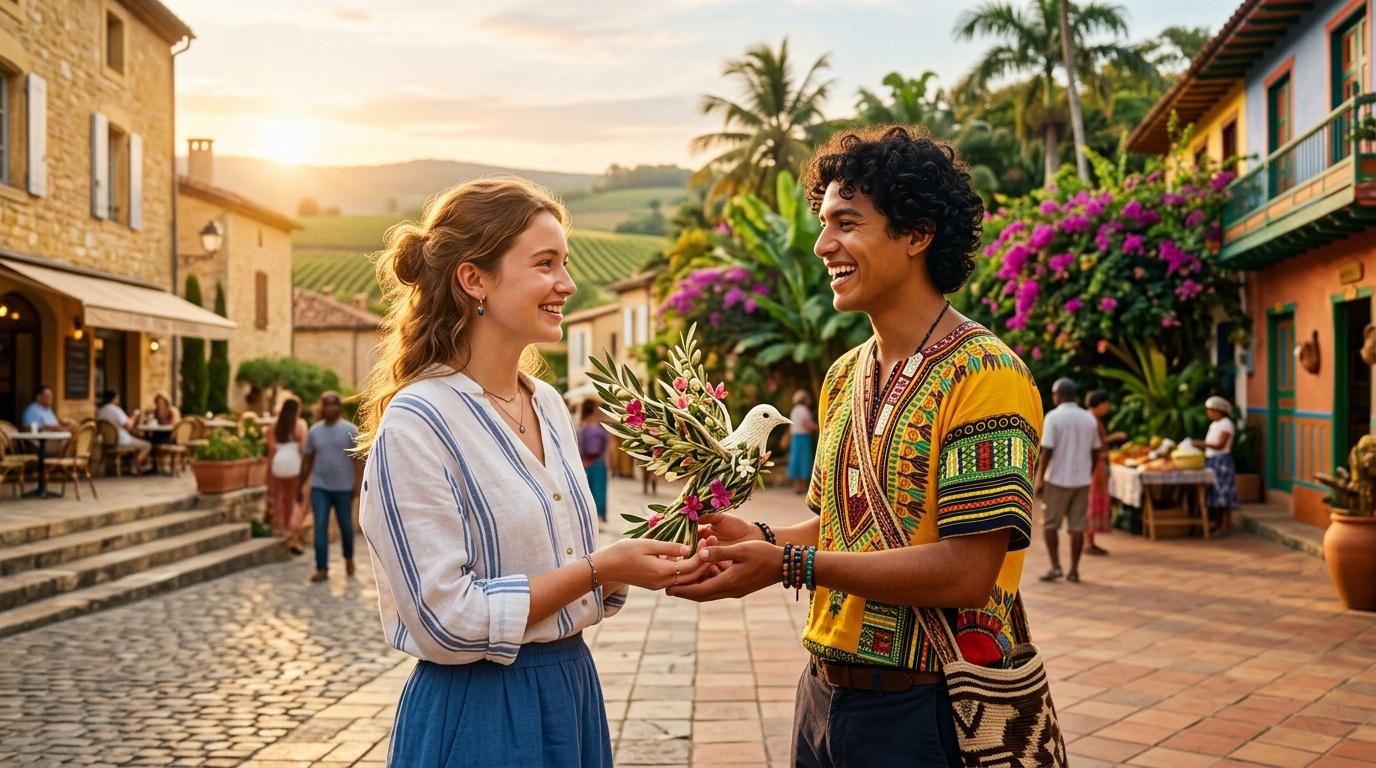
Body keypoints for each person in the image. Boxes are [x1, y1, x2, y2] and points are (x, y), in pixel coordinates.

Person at [669, 127, 1044, 767]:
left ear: (917, 235)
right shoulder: (845, 375)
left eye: (847, 223)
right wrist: (751, 535)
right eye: (822, 223)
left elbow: (967, 573)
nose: (822, 245)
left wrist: (787, 568)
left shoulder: (986, 376)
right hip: (823, 695)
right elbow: (838, 527)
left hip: (930, 708)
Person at [355, 177, 712, 767]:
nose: (567, 284)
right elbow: (445, 618)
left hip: (570, 690)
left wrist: (630, 564)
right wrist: (601, 568)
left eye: (565, 263)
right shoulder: (418, 421)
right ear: (475, 280)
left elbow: (565, 562)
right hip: (479, 711)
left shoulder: (546, 402)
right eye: (545, 264)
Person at [1036, 378, 1102, 583]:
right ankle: (1074, 569)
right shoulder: (1088, 418)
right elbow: (1096, 450)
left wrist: (1040, 480)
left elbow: (1047, 450)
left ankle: (1055, 566)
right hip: (1081, 480)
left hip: (1057, 479)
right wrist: (1088, 472)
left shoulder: (1053, 417)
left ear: (1058, 395)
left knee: (1050, 525)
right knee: (1077, 527)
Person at [296, 392, 361, 582]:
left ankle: (349, 558)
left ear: (339, 407)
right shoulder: (314, 432)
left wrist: (358, 483)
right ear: (321, 408)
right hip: (320, 486)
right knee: (320, 526)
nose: (330, 408)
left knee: (345, 526)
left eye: (334, 404)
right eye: (327, 405)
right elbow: (307, 461)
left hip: (344, 487)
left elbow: (358, 461)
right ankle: (322, 568)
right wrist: (300, 485)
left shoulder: (350, 430)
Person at [1084, 390, 1127, 556]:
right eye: (1106, 404)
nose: (1108, 407)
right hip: (1095, 465)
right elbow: (1095, 444)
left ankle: (1090, 539)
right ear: (1100, 404)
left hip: (1096, 465)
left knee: (1093, 501)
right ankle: (1089, 540)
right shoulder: (1091, 420)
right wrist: (1114, 437)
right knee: (1093, 501)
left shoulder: (1091, 419)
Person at [267, 398, 309, 555]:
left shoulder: (275, 426)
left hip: (279, 464)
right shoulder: (300, 425)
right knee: (294, 501)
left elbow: (271, 450)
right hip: (294, 465)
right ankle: (292, 533)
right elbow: (304, 449)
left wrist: (269, 473)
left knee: (281, 498)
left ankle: (282, 529)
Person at [1202, 395, 1237, 534]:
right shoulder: (1214, 425)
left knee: (1224, 494)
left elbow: (1220, 444)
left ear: (1219, 411)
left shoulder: (1226, 424)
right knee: (1214, 494)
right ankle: (1216, 523)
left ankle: (1225, 525)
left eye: (1211, 410)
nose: (1209, 413)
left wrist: (1201, 444)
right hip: (1212, 460)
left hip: (1222, 462)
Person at [96, 389, 152, 474]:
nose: (118, 401)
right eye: (117, 398)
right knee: (147, 445)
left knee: (137, 439)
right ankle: (134, 465)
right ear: (113, 399)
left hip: (107, 442)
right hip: (121, 441)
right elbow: (129, 426)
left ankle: (134, 465)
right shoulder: (116, 410)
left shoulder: (100, 411)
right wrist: (135, 415)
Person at [577, 399, 610, 521]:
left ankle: (601, 514)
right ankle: (591, 514)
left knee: (600, 489)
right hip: (586, 462)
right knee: (589, 490)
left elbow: (606, 444)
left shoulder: (601, 425)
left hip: (599, 461)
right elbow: (579, 444)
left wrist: (607, 461)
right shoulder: (583, 425)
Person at [20, 385, 73, 456]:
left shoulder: (48, 409)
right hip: (40, 445)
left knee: (73, 435)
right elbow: (30, 429)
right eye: (48, 396)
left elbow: (55, 424)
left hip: (53, 442)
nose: (51, 399)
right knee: (70, 444)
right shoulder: (32, 410)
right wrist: (55, 428)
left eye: (51, 396)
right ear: (38, 398)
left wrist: (63, 426)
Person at [787, 389, 819, 494]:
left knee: (796, 460)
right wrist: (819, 428)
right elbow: (807, 424)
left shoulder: (794, 410)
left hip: (795, 438)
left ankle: (797, 486)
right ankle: (804, 486)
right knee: (804, 461)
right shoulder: (804, 410)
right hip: (804, 438)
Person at [145, 392, 180, 473]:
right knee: (148, 441)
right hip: (158, 433)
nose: (160, 404)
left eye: (162, 402)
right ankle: (154, 466)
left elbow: (175, 425)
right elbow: (149, 421)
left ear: (166, 402)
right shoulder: (155, 411)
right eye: (158, 402)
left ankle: (158, 467)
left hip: (169, 435)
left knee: (153, 443)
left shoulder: (172, 411)